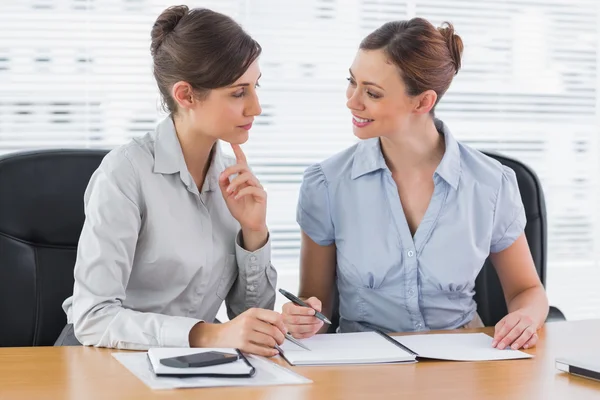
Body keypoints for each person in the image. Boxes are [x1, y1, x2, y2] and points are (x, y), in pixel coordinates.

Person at [282, 18, 549, 351]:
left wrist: (525, 316)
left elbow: (528, 291)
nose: (352, 100)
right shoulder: (327, 183)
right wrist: (304, 319)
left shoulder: (490, 184)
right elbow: (317, 302)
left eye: (372, 92)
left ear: (423, 102)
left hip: (463, 360)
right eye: (352, 82)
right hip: (363, 364)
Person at [56, 6, 286, 357]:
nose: (256, 107)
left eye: (256, 87)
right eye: (239, 93)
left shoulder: (234, 181)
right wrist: (207, 335)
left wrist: (254, 234)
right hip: (103, 359)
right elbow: (93, 317)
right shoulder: (125, 173)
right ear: (185, 95)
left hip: (185, 365)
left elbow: (248, 319)